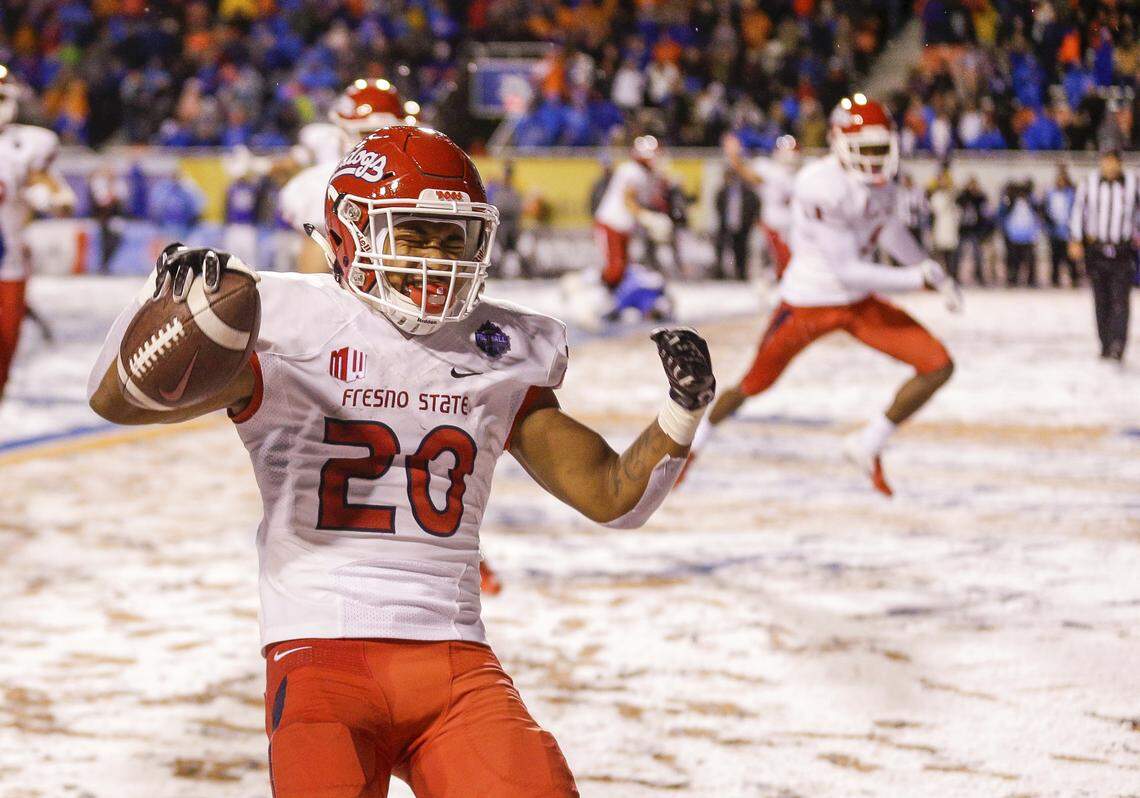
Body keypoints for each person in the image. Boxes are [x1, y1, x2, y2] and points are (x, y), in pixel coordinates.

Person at [87, 127, 716, 797]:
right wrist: (160, 309)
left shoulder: (498, 348)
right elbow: (117, 401)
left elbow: (611, 494)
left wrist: (682, 409)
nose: (439, 259)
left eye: (455, 239)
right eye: (415, 233)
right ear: (352, 232)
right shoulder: (283, 319)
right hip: (319, 654)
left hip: (455, 661)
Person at [682, 95, 960, 496]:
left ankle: (868, 444)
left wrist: (932, 269)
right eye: (866, 149)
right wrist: (918, 278)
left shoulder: (878, 182)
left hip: (858, 303)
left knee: (938, 365)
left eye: (882, 149)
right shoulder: (818, 184)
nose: (876, 160)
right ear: (839, 143)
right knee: (752, 384)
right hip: (808, 303)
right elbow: (846, 268)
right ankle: (695, 443)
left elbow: (889, 230)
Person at [277, 79, 418, 274]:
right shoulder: (324, 182)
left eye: (383, 134)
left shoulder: (412, 173)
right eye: (367, 133)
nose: (376, 143)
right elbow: (316, 280)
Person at [0, 64, 76, 402]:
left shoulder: (25, 144)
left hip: (8, 257)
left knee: (6, 336)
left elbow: (61, 198)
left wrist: (48, 197)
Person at [1069, 147, 1140, 362]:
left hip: (1122, 250)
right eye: (1105, 161)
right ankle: (1105, 343)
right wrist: (1075, 239)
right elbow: (1078, 211)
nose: (1109, 166)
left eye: (1113, 161)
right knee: (1101, 299)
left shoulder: (1133, 184)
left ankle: (1118, 343)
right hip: (1097, 249)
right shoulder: (1088, 183)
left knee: (1121, 299)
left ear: (1119, 163)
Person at [593, 135, 673, 291]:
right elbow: (628, 200)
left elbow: (651, 199)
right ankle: (587, 286)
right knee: (616, 268)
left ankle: (611, 298)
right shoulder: (632, 171)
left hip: (622, 227)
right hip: (611, 224)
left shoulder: (646, 174)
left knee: (623, 269)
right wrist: (649, 219)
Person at [722, 133, 799, 278]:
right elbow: (747, 174)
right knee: (764, 267)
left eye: (792, 152)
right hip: (771, 227)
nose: (789, 156)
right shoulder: (771, 170)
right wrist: (734, 156)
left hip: (794, 230)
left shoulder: (803, 174)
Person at [713, 167, 760, 280]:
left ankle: (741, 273)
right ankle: (720, 273)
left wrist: (750, 219)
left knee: (741, 249)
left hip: (742, 225)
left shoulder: (748, 192)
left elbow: (755, 205)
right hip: (726, 224)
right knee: (721, 248)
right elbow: (718, 204)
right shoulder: (723, 191)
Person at [487, 161, 531, 278]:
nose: (506, 177)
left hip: (512, 227)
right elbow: (494, 208)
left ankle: (525, 271)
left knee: (518, 250)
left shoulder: (514, 191)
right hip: (500, 226)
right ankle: (495, 271)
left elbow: (517, 210)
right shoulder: (495, 190)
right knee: (497, 252)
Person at [1000, 179, 1041, 287]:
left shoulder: (1031, 202)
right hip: (1013, 235)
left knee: (1030, 260)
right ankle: (1012, 279)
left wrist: (1035, 232)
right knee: (1013, 260)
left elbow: (1037, 216)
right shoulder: (1010, 202)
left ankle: (1031, 280)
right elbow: (1002, 215)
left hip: (1028, 236)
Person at [1044, 164, 1079, 286]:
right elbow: (1046, 210)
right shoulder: (1050, 193)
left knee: (1071, 258)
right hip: (1054, 230)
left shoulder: (1071, 193)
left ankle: (1074, 278)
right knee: (1055, 257)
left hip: (1068, 231)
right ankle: (1055, 279)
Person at [927, 168, 961, 281]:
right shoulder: (936, 195)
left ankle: (953, 276)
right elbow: (936, 209)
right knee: (940, 255)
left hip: (951, 228)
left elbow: (958, 212)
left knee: (952, 255)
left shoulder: (952, 195)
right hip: (940, 228)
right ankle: (940, 277)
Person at [956, 175, 990, 286]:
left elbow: (985, 212)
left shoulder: (980, 198)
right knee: (959, 255)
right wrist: (966, 193)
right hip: (964, 229)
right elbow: (958, 202)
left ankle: (979, 276)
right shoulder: (963, 197)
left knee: (978, 255)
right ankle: (955, 276)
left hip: (975, 230)